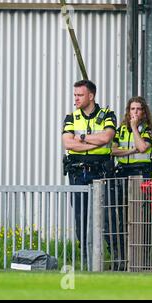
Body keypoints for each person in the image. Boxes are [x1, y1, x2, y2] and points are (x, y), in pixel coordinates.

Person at [62, 79, 117, 261]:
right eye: (75, 95)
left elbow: (107, 138)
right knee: (81, 217)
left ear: (91, 96)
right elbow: (67, 142)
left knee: (107, 216)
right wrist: (94, 140)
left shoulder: (108, 114)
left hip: (101, 171)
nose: (76, 99)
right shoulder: (71, 116)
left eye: (80, 95)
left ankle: (115, 259)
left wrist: (83, 138)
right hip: (78, 172)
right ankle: (87, 259)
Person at [110, 96, 152, 270]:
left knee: (141, 220)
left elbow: (143, 148)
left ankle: (142, 260)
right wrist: (131, 150)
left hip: (140, 175)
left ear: (144, 112)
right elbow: (112, 150)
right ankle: (123, 260)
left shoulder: (148, 129)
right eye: (132, 109)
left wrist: (135, 129)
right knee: (122, 219)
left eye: (138, 109)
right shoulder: (120, 130)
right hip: (122, 175)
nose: (135, 112)